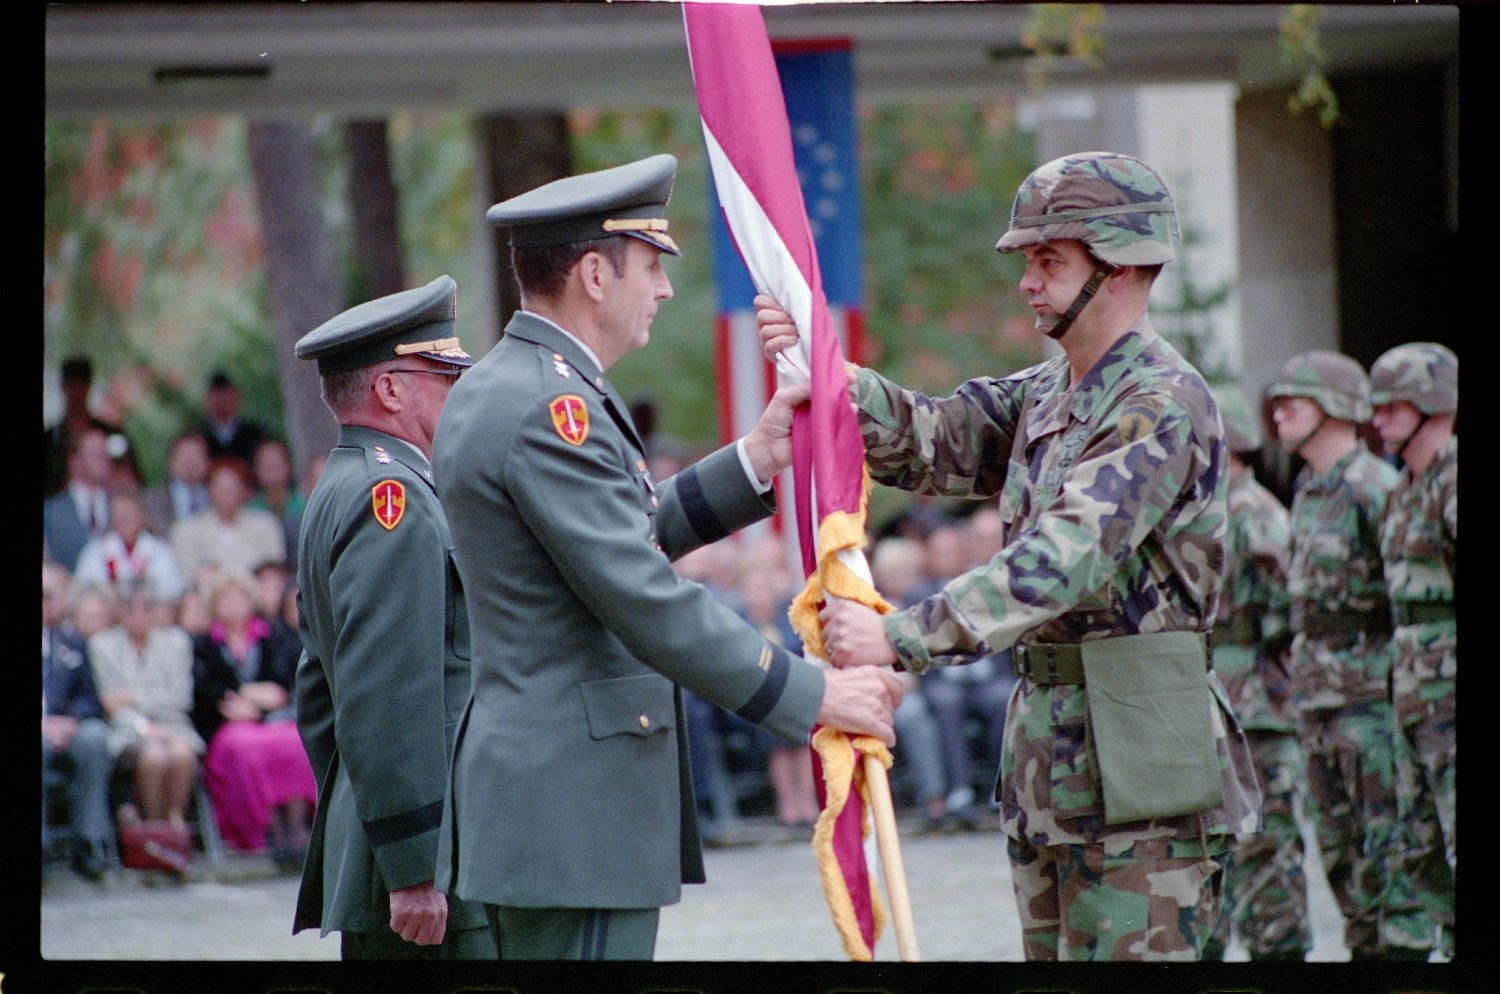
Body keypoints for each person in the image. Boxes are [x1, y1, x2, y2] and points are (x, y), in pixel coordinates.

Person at [756, 150, 1261, 961]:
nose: (1029, 281)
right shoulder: (1049, 391)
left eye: (1050, 261)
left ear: (1123, 265)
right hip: (1049, 763)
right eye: (1028, 261)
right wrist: (831, 376)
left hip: (1144, 770)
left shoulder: (1161, 401)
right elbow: (934, 439)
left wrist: (902, 635)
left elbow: (1065, 560)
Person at [431, 154, 901, 961]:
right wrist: (816, 692)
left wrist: (753, 459)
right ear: (593, 273)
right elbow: (641, 593)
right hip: (571, 805)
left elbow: (613, 537)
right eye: (651, 266)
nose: (664, 287)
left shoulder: (518, 383)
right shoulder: (553, 405)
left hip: (556, 798)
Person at [291, 274, 496, 959]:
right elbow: (387, 694)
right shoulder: (393, 497)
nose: (458, 388)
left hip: (393, 839)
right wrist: (411, 864)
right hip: (424, 869)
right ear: (390, 389)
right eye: (444, 373)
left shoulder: (346, 482)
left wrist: (364, 804)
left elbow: (320, 696)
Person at [1266, 349, 1431, 960]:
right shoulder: (1309, 488)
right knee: (1342, 861)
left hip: (1371, 703)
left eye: (1295, 402)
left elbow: (1408, 596)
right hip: (1317, 702)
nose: (1279, 413)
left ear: (1335, 408)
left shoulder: (1375, 487)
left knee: (1389, 849)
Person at [1201, 385, 1309, 962]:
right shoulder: (1212, 508)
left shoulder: (1254, 512)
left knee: (1267, 849)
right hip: (1218, 695)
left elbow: (1288, 611)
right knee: (1212, 847)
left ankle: (1281, 954)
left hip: (1259, 707)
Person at [1370, 342, 1457, 959]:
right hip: (1413, 692)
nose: (1377, 419)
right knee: (1421, 845)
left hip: (1450, 692)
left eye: (1391, 407)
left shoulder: (1453, 482)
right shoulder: (1404, 490)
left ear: (1432, 405)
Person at [190, 569, 313, 863]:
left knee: (295, 742)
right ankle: (266, 829)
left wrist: (250, 699)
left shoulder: (271, 637)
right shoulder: (204, 644)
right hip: (224, 727)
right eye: (226, 599)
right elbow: (207, 690)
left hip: (270, 720)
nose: (233, 605)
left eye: (239, 597)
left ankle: (296, 824)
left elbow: (282, 686)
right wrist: (246, 697)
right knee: (244, 749)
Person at [87, 582, 204, 831]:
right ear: (120, 612)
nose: (138, 616)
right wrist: (142, 725)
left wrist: (130, 695)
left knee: (182, 754)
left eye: (145, 609)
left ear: (154, 612)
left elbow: (181, 697)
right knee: (154, 757)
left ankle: (175, 823)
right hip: (127, 728)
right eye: (131, 609)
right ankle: (154, 829)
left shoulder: (176, 642)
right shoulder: (102, 645)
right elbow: (110, 703)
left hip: (173, 724)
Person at [42, 559, 116, 882]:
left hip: (67, 728)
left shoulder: (71, 644)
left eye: (48, 595)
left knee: (95, 737)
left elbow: (90, 698)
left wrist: (70, 721)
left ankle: (90, 842)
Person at [169, 456, 286, 583]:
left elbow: (274, 571)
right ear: (208, 490)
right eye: (221, 488)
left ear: (244, 490)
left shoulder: (265, 524)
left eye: (233, 488)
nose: (227, 494)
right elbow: (188, 576)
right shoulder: (186, 530)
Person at [73, 489, 186, 602]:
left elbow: (173, 592)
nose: (124, 521)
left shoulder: (161, 551)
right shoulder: (95, 552)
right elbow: (83, 590)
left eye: (129, 515)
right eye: (118, 516)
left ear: (142, 517)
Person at [44, 355, 125, 499]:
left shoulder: (111, 433)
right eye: (71, 385)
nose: (76, 392)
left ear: (88, 387)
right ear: (63, 387)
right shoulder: (49, 439)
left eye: (81, 385)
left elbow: (130, 479)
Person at [43, 424, 114, 572]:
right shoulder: (51, 512)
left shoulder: (122, 503)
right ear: (74, 462)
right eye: (95, 453)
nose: (104, 458)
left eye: (105, 452)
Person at [248, 436, 307, 571]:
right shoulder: (249, 510)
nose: (271, 470)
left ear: (288, 466)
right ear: (256, 469)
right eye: (265, 465)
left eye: (275, 464)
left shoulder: (306, 505)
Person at [142, 428, 211, 539]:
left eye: (196, 456)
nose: (190, 463)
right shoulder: (151, 500)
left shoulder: (216, 496)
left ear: (208, 463)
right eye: (183, 456)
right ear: (169, 462)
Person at [197, 369, 267, 467]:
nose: (222, 402)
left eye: (226, 396)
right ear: (205, 402)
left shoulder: (255, 435)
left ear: (238, 398)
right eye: (216, 397)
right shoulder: (197, 437)